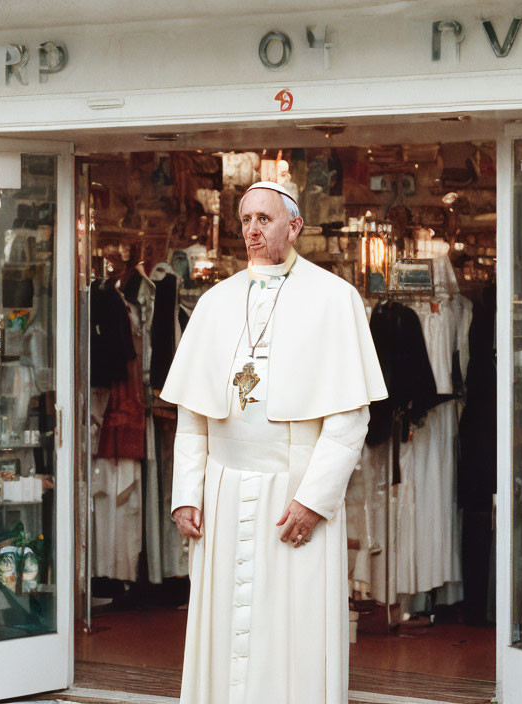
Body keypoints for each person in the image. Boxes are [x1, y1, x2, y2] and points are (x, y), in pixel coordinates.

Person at [160, 181, 387, 704]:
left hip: (294, 494)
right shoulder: (216, 303)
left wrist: (313, 502)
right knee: (223, 624)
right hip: (222, 492)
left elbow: (350, 421)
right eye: (245, 220)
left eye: (264, 218)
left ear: (295, 225)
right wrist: (186, 495)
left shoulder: (335, 298)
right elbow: (192, 417)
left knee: (294, 626)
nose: (252, 230)